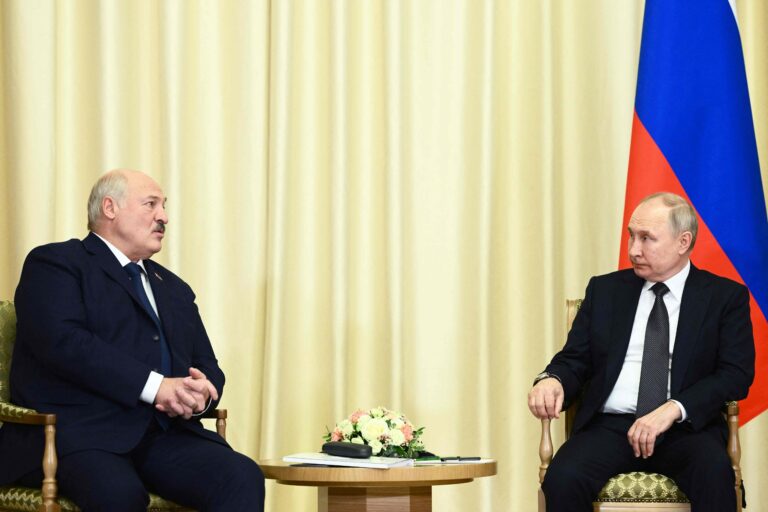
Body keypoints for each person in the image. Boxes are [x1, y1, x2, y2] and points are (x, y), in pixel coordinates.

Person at [0, 169, 265, 511]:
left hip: (163, 436)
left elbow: (206, 364)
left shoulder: (174, 288)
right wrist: (156, 387)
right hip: (80, 434)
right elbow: (65, 344)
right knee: (119, 494)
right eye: (151, 204)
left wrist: (200, 395)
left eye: (164, 206)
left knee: (241, 475)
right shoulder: (57, 264)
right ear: (110, 208)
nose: (164, 216)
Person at [528, 192, 754, 512]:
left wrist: (674, 408)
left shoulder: (724, 298)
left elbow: (735, 374)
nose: (634, 250)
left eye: (647, 238)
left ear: (683, 241)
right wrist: (552, 379)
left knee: (714, 475)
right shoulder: (605, 291)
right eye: (632, 236)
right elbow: (575, 359)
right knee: (563, 478)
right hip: (610, 428)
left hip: (686, 430)